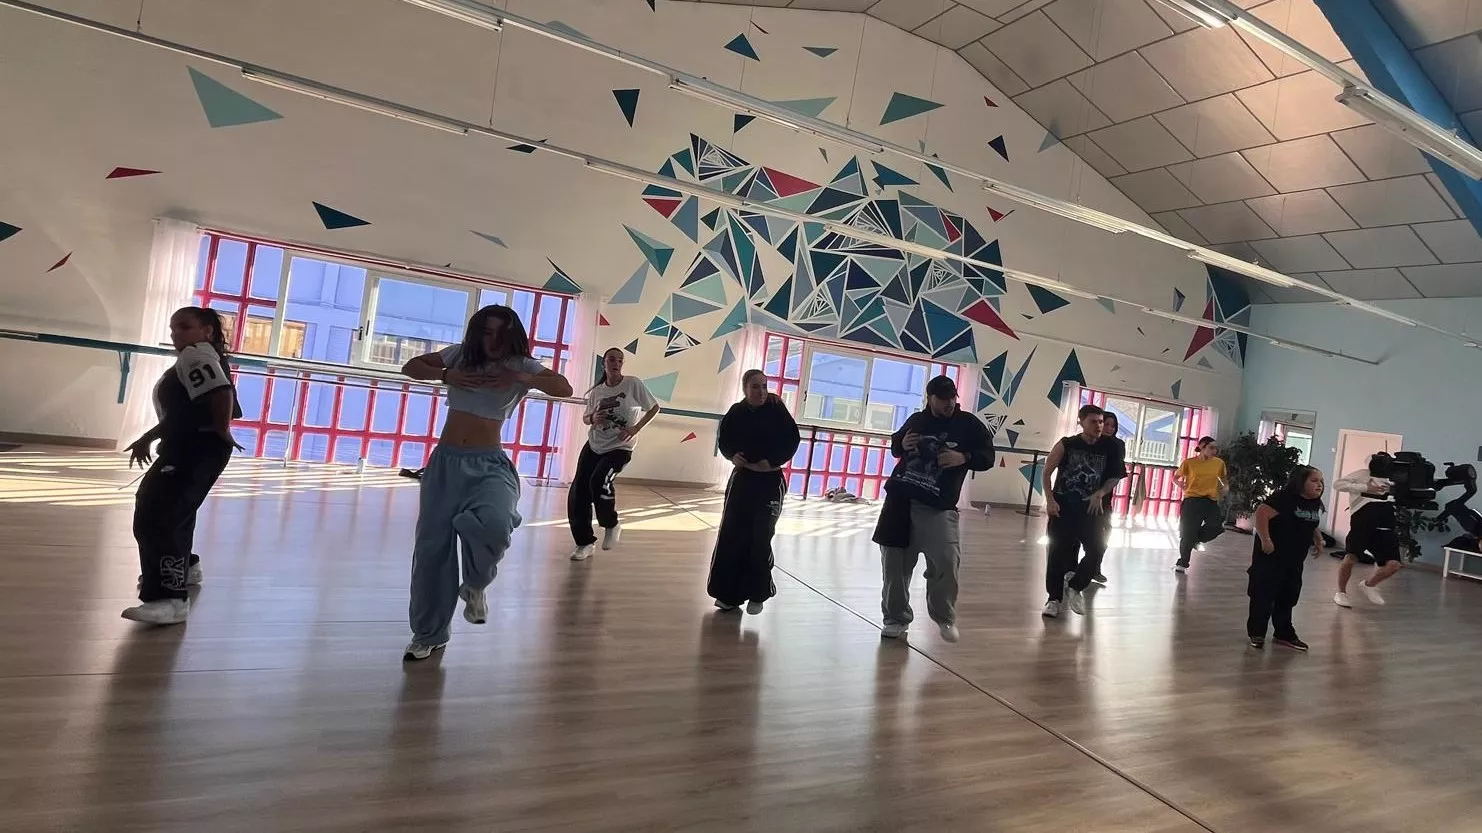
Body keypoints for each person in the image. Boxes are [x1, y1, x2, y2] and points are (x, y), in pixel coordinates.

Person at [399, 305, 574, 660]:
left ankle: (475, 584)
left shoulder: (522, 365)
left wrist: (520, 378)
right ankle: (429, 634)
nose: (492, 340)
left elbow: (563, 388)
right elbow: (411, 367)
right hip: (445, 464)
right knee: (433, 551)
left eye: (500, 334)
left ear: (512, 336)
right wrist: (447, 375)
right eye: (486, 332)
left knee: (496, 523)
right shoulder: (459, 356)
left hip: (489, 463)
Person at [121, 306, 242, 625]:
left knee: (157, 514)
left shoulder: (195, 355)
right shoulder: (203, 354)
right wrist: (149, 436)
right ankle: (185, 568)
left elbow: (221, 393)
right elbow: (186, 410)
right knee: (174, 511)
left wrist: (220, 430)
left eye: (185, 327)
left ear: (207, 330)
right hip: (194, 446)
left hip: (195, 448)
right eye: (173, 328)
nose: (176, 334)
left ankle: (169, 598)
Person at [873, 375, 994, 643]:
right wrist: (901, 444)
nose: (949, 403)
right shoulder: (917, 420)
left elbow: (988, 457)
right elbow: (896, 444)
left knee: (947, 560)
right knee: (894, 565)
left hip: (938, 506)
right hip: (900, 502)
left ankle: (944, 615)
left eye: (952, 397)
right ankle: (895, 618)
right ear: (930, 398)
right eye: (942, 398)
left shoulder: (968, 425)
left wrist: (963, 457)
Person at [706, 369, 800, 615]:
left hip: (769, 482)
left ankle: (758, 592)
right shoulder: (736, 412)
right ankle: (728, 594)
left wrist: (771, 461)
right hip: (743, 480)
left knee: (761, 536)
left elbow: (792, 440)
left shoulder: (776, 409)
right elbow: (724, 439)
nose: (761, 391)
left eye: (764, 386)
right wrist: (732, 455)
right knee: (732, 534)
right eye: (755, 387)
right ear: (745, 389)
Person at [567, 347, 660, 561]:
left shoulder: (632, 384)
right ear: (604, 364)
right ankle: (584, 543)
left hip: (620, 447)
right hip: (594, 445)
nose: (616, 363)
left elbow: (654, 408)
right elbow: (586, 417)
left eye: (619, 360)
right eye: (611, 360)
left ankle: (611, 524)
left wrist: (636, 428)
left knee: (599, 480)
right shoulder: (597, 392)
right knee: (579, 492)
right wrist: (593, 419)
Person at [1041, 404, 1125, 618]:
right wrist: (1050, 500)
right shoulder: (1067, 444)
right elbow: (1047, 472)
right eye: (1093, 421)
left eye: (1101, 422)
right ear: (1081, 422)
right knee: (1057, 553)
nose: (1099, 426)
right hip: (1063, 508)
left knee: (1097, 549)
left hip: (1091, 510)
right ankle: (1053, 599)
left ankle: (1075, 585)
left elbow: (1115, 476)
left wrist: (1100, 493)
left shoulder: (1111, 447)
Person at [1247, 465, 1325, 651]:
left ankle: (1283, 633)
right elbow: (1261, 514)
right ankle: (1257, 632)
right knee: (1263, 596)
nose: (1319, 485)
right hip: (1271, 559)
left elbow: (1309, 520)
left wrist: (1318, 539)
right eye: (1314, 481)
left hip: (1294, 560)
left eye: (1321, 481)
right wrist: (1265, 539)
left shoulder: (1313, 502)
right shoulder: (1283, 498)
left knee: (1288, 596)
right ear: (1300, 482)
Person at [1332, 455, 1403, 608]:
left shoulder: (1394, 477)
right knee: (1350, 558)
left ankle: (1369, 585)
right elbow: (1338, 484)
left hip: (1385, 528)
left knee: (1394, 564)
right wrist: (1365, 488)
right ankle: (1341, 592)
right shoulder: (1362, 474)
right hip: (1362, 525)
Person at [1174, 436, 1227, 573]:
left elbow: (1224, 478)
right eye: (1211, 448)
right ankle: (1183, 562)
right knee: (1188, 533)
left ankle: (1196, 540)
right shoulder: (1189, 463)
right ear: (1202, 447)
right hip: (1192, 500)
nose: (1214, 451)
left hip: (1210, 500)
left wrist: (1225, 486)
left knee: (1216, 526)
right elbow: (1175, 477)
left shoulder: (1219, 463)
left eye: (1215, 448)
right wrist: (1180, 484)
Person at [1085, 411, 1125, 585]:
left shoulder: (1118, 445)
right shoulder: (1091, 441)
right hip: (1084, 492)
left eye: (1112, 426)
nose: (1108, 428)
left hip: (1105, 496)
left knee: (1104, 532)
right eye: (1105, 424)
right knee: (1082, 532)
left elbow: (1117, 471)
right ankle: (1073, 568)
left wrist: (1103, 491)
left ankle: (1094, 567)